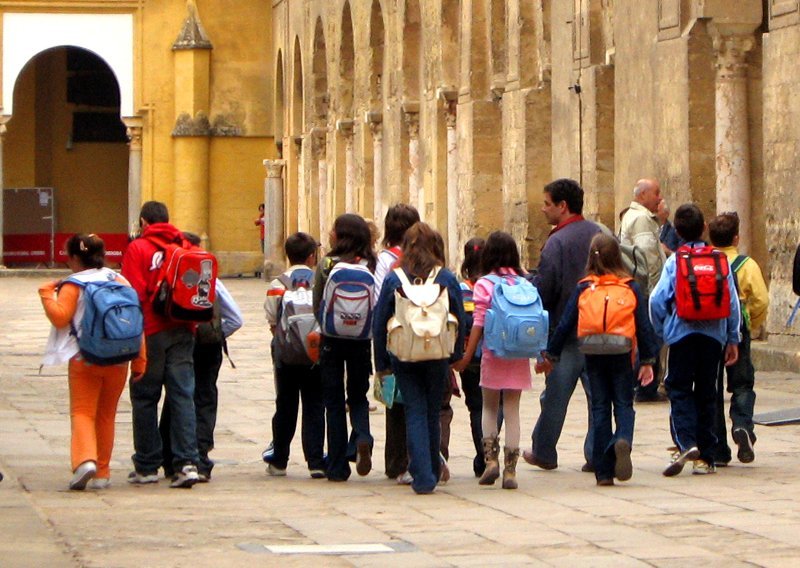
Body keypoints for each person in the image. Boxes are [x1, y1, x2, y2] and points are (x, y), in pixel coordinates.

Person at [538, 234, 659, 486]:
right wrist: (648, 359)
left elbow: (565, 323)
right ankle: (622, 438)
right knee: (624, 404)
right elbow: (644, 326)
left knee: (600, 407)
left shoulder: (584, 286)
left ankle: (603, 472)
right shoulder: (630, 286)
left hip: (592, 352)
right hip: (622, 352)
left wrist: (551, 354)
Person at [39, 234, 146, 489]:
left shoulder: (73, 284)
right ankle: (103, 472)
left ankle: (85, 461)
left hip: (84, 358)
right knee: (107, 415)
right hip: (119, 359)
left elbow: (60, 318)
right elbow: (135, 322)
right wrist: (140, 360)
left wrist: (45, 294)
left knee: (83, 412)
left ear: (75, 258)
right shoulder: (119, 280)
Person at [374, 222, 465, 494]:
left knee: (414, 410)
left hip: (405, 353)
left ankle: (422, 474)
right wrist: (455, 354)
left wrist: (382, 364)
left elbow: (380, 323)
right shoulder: (446, 278)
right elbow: (459, 317)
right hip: (438, 353)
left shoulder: (395, 279)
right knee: (432, 411)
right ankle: (432, 470)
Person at [649, 203, 741, 476]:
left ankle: (686, 442)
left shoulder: (676, 261)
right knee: (707, 392)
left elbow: (656, 300)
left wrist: (661, 331)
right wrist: (733, 338)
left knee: (678, 389)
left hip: (681, 335)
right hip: (713, 337)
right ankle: (707, 458)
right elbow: (732, 302)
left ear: (676, 231)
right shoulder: (719, 259)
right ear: (704, 228)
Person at [121, 201, 201, 488]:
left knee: (144, 397)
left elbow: (133, 293)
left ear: (143, 222)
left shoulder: (138, 248)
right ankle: (187, 462)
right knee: (182, 395)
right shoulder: (185, 246)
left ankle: (147, 464)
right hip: (183, 328)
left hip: (151, 330)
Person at [524, 178, 600, 471]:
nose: (543, 210)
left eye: (546, 204)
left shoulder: (557, 241)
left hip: (566, 331)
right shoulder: (599, 234)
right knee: (598, 397)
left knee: (556, 394)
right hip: (599, 327)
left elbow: (547, 287)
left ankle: (544, 449)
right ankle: (597, 453)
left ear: (562, 206)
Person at [159, 232, 242, 483]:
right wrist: (216, 335)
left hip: (179, 343)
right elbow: (236, 318)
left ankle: (171, 458)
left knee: (177, 397)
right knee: (205, 398)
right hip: (209, 346)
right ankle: (201, 459)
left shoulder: (171, 273)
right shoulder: (210, 277)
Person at [453, 231, 534, 489]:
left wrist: (466, 356)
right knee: (512, 410)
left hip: (493, 352)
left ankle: (491, 461)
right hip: (519, 354)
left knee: (488, 408)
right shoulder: (525, 282)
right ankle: (511, 470)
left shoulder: (485, 284)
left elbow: (478, 322)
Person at [312, 213, 377, 481]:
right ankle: (362, 437)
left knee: (334, 401)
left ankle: (338, 465)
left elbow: (317, 302)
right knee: (358, 396)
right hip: (361, 340)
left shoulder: (327, 262)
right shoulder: (370, 262)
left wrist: (328, 326)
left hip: (332, 339)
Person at [262, 232, 326, 478]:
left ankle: (279, 459)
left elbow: (272, 320)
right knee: (314, 404)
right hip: (315, 351)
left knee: (286, 404)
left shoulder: (278, 284)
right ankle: (316, 461)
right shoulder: (319, 280)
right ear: (312, 256)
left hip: (286, 354)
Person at [708, 212, 769, 466]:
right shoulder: (747, 265)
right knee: (742, 383)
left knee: (711, 388)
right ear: (736, 238)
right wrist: (751, 324)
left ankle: (718, 449)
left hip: (710, 328)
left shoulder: (707, 262)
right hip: (738, 327)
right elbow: (761, 300)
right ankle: (742, 425)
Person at [373, 204, 420, 484]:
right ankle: (427, 457)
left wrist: (379, 356)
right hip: (427, 337)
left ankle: (396, 462)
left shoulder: (386, 260)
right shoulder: (429, 259)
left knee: (396, 401)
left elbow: (380, 301)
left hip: (395, 337)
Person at [620, 179, 667, 403]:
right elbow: (649, 257)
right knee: (651, 336)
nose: (659, 198)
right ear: (642, 195)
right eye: (656, 193)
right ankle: (645, 385)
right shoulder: (641, 219)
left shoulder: (634, 216)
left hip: (638, 286)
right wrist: (657, 289)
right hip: (647, 288)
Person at [457, 237, 489, 477]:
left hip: (470, 357)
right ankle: (491, 452)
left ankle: (483, 455)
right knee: (496, 407)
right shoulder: (494, 285)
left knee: (476, 408)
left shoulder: (461, 289)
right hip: (494, 354)